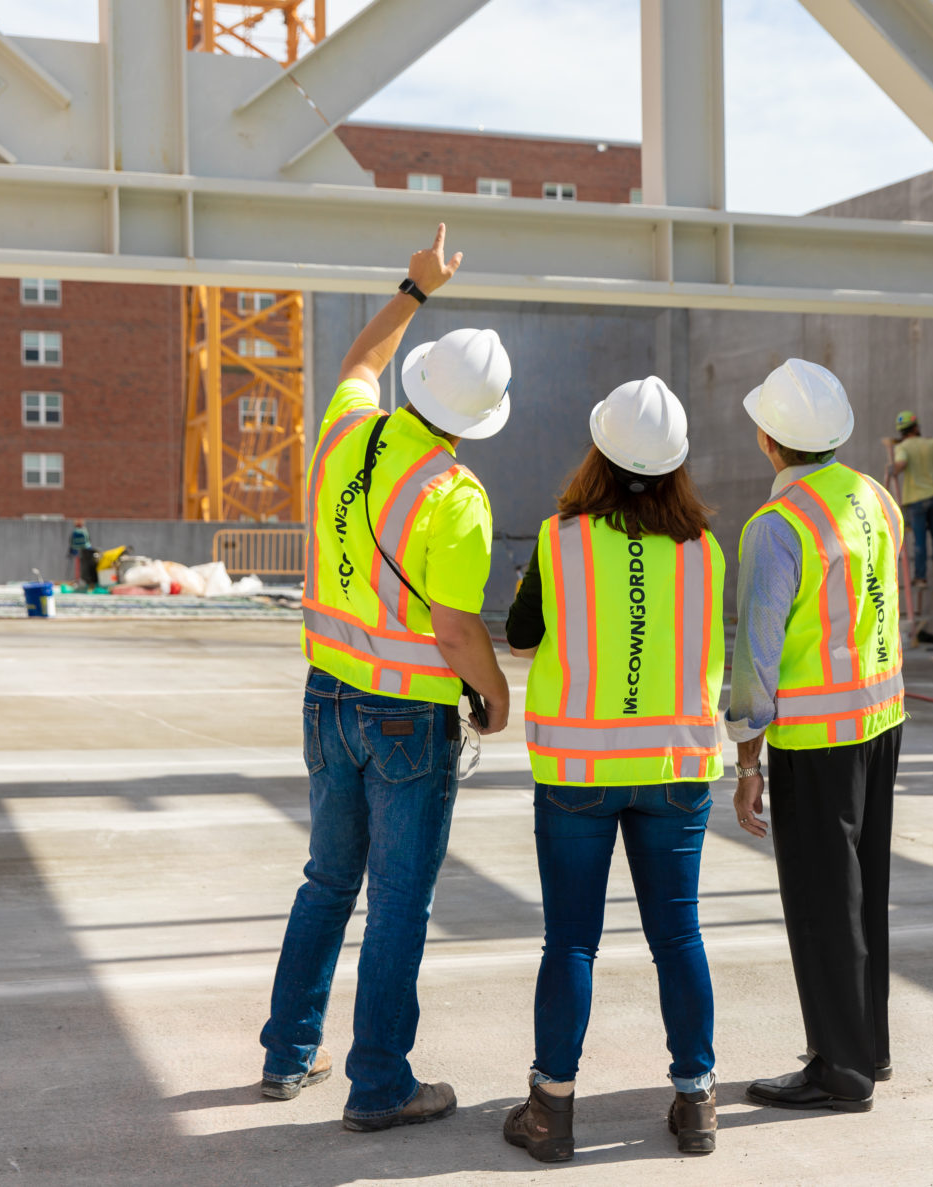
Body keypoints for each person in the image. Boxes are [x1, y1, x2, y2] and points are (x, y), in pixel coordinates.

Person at [258, 224, 511, 1132]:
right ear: (476, 419)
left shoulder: (343, 436)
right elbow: (453, 625)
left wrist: (415, 289)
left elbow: (365, 358)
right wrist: (495, 695)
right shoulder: (457, 495)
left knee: (328, 879)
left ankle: (289, 1052)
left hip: (326, 698)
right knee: (400, 897)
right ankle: (379, 1084)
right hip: (407, 717)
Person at [500, 377, 726, 1162]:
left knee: (570, 942)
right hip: (673, 769)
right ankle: (696, 1100)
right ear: (677, 464)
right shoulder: (704, 549)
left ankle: (552, 1109)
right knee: (678, 935)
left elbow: (521, 633)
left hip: (579, 773)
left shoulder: (559, 540)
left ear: (597, 452)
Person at [727, 359, 905, 1113]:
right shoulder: (876, 499)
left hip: (817, 738)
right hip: (880, 721)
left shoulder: (777, 527)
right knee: (865, 892)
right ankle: (870, 1043)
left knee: (822, 901)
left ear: (768, 441)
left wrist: (746, 756)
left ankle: (841, 1068)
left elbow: (757, 655)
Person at [883, 411, 933, 589]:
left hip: (916, 500)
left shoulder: (902, 448)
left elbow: (901, 464)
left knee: (919, 540)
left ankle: (921, 577)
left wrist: (892, 469)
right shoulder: (931, 444)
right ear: (916, 427)